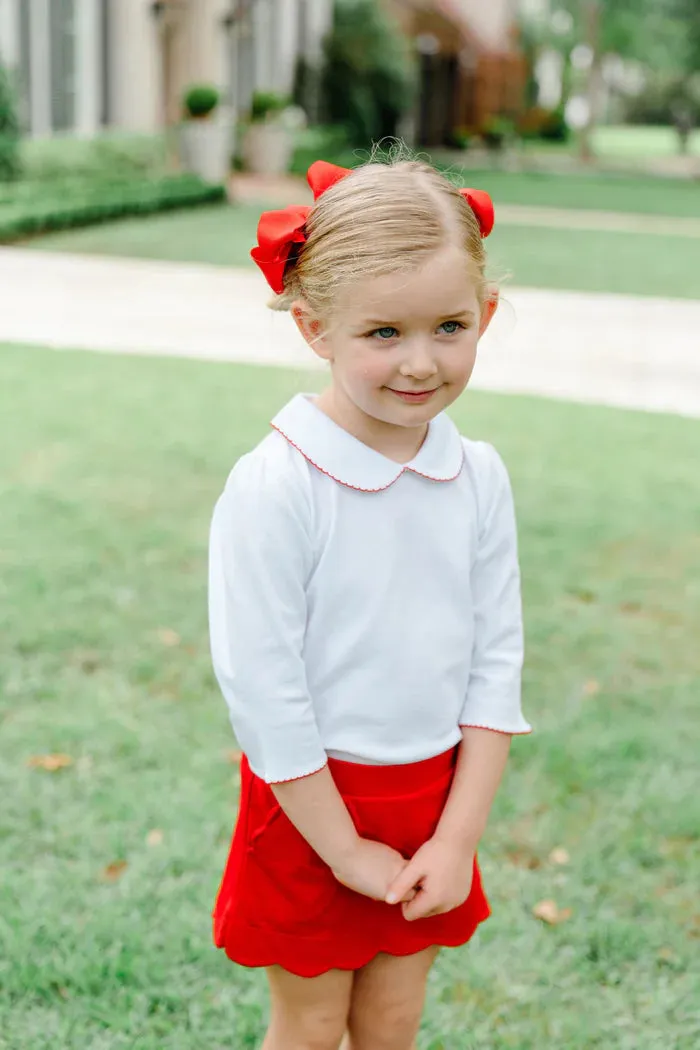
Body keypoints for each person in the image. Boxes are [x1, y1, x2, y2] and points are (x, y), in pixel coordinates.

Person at [208, 156, 532, 1050]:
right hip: (311, 803)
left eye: (449, 326)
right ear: (315, 327)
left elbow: (494, 664)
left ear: (486, 317)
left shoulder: (477, 475)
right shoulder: (277, 486)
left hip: (433, 799)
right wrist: (344, 849)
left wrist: (458, 837)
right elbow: (264, 693)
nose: (421, 363)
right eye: (383, 332)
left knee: (393, 1022)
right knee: (312, 1027)